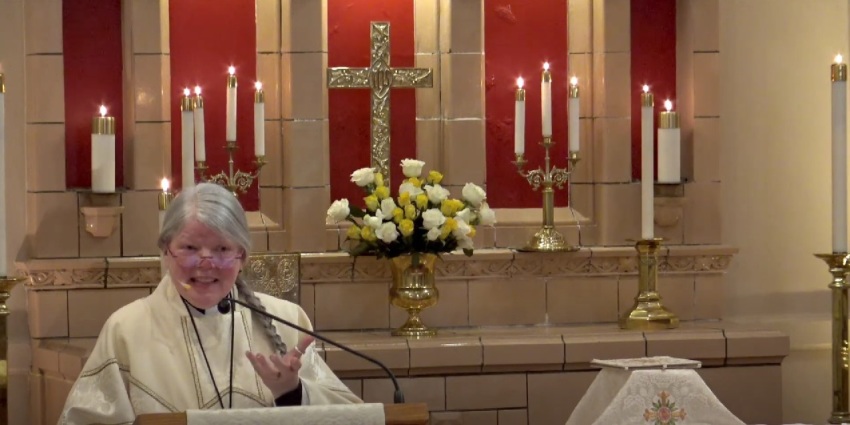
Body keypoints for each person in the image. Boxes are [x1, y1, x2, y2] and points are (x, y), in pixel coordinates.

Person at [59, 183, 361, 424]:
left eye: (222, 249)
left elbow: (351, 417)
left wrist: (292, 393)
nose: (206, 264)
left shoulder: (284, 319)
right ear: (166, 251)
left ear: (242, 256)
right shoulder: (126, 329)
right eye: (190, 247)